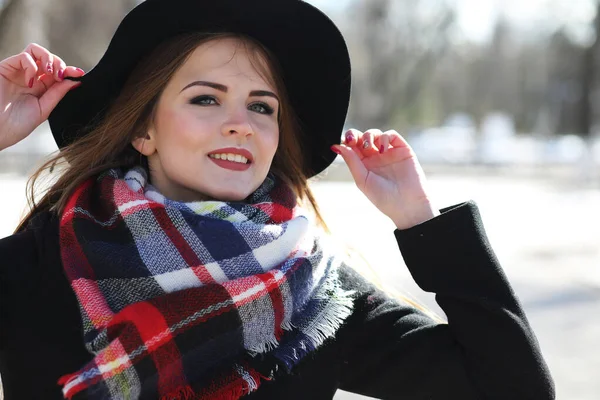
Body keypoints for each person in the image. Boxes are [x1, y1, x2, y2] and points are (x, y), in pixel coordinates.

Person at [0, 0, 554, 399]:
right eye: (206, 99)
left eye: (262, 107)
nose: (240, 124)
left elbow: (512, 387)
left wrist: (420, 221)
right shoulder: (37, 265)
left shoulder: (314, 297)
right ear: (143, 132)